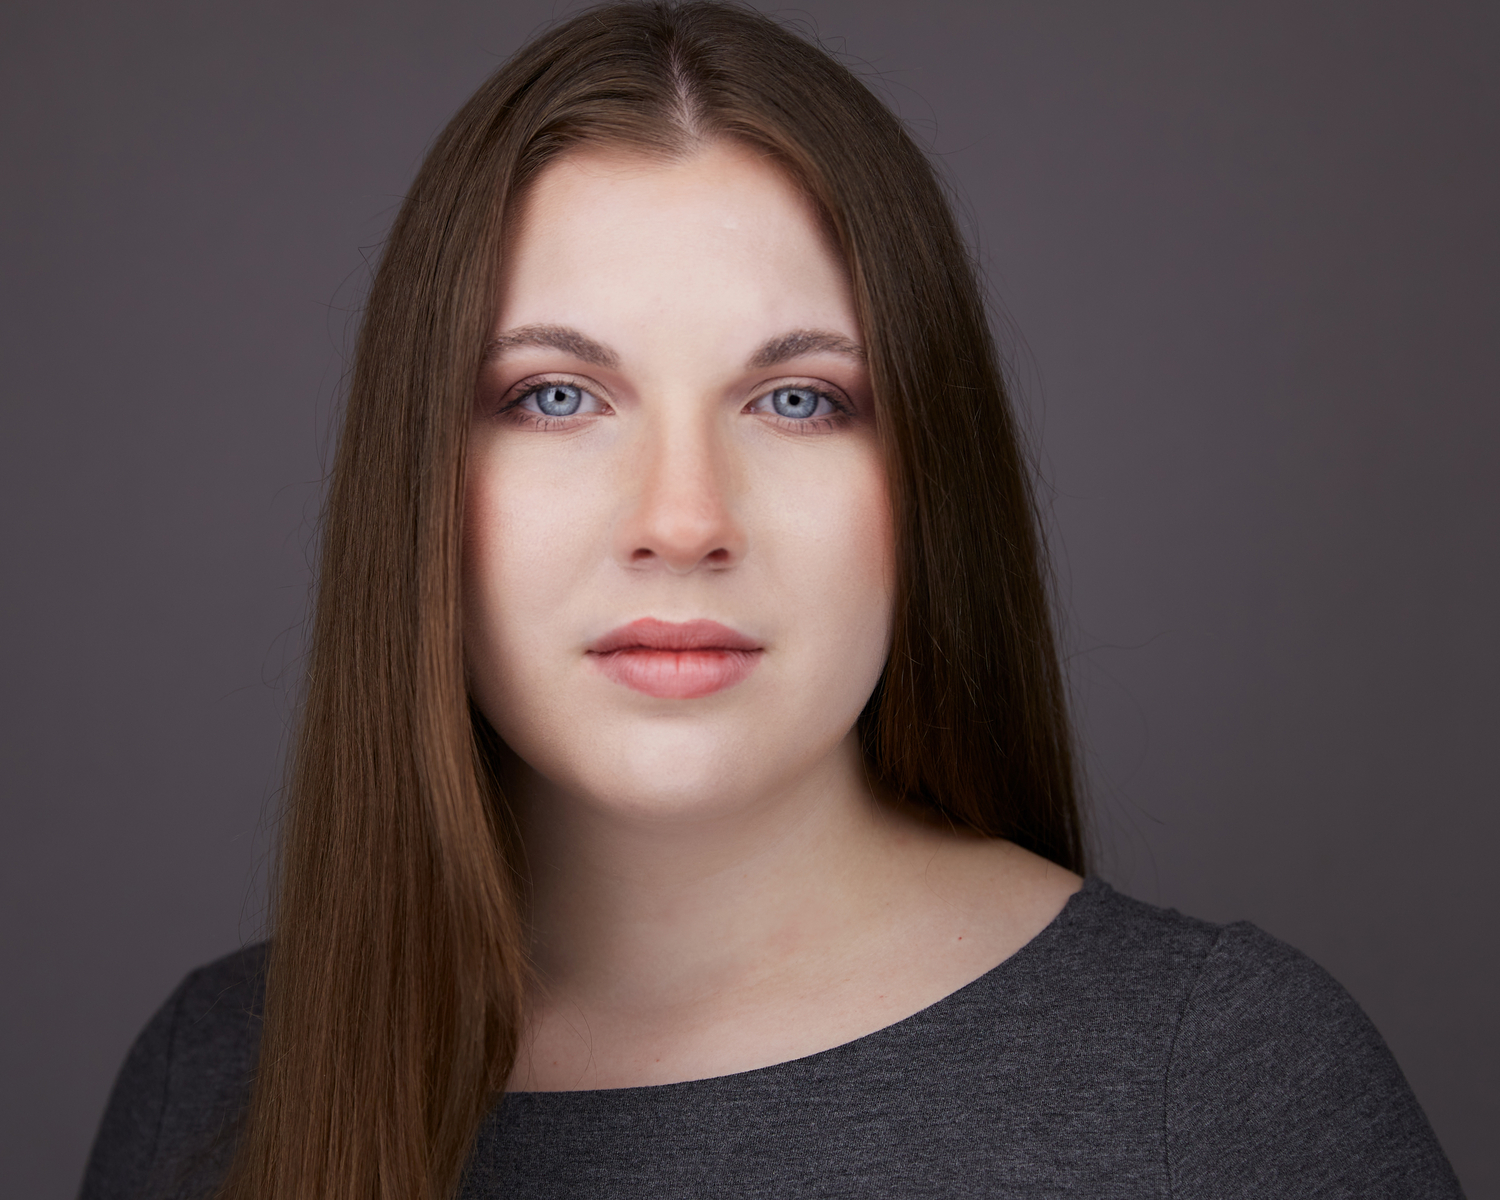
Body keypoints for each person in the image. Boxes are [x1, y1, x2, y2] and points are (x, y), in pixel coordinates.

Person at [78, 3, 1463, 1198]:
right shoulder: (214, 1080)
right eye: (556, 397)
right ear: (418, 481)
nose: (684, 521)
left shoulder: (1215, 1090)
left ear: (930, 480)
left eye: (797, 400)